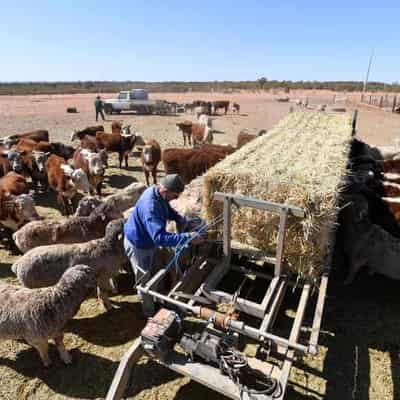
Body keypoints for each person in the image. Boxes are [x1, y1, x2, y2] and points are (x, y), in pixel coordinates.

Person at [123, 174, 203, 316]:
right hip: (138, 245)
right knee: (144, 281)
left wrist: (180, 219)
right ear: (165, 190)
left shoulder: (158, 193)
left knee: (155, 271)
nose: (176, 198)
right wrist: (188, 237)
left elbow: (166, 208)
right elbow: (159, 237)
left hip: (148, 241)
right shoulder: (151, 206)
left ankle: (158, 299)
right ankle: (149, 312)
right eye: (175, 196)